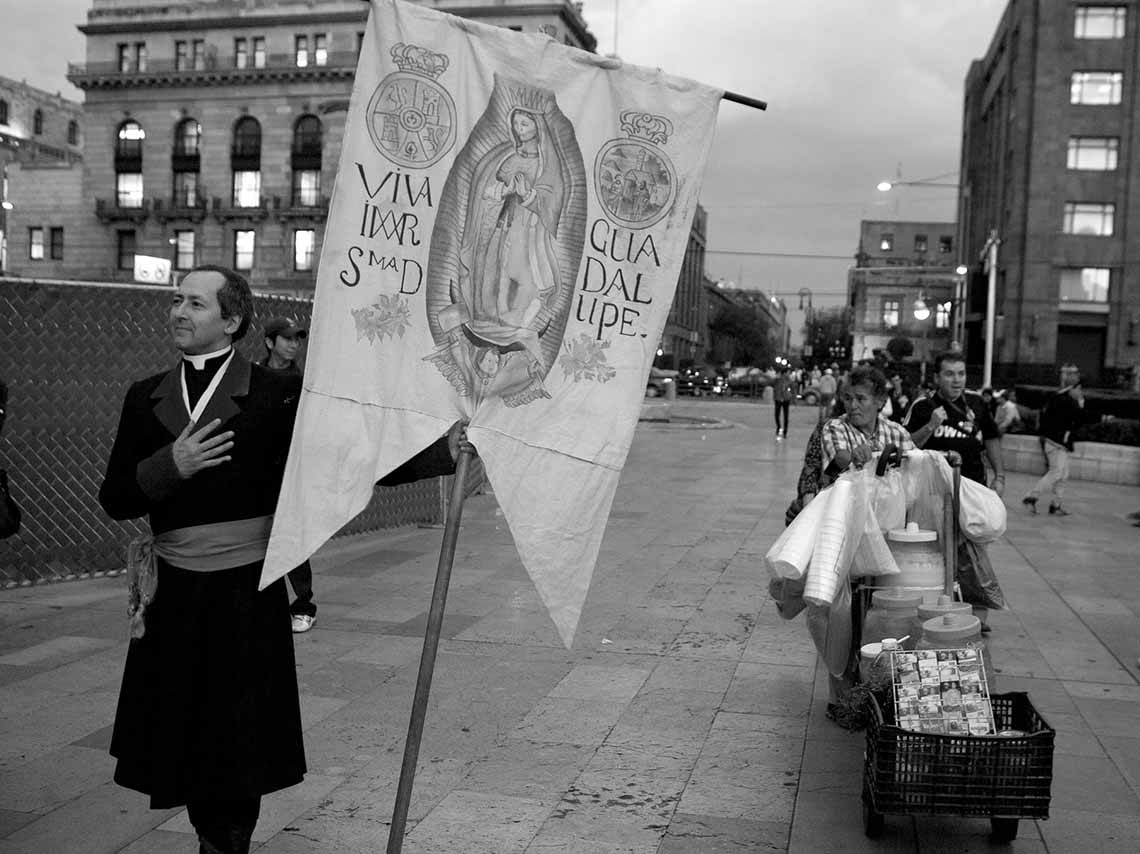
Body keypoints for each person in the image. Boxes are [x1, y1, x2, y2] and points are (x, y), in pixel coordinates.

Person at [98, 265, 462, 853]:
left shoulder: (277, 395)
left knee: (237, 735)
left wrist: (438, 454)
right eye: (176, 300)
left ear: (232, 320)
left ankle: (227, 841)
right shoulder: (145, 397)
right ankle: (206, 832)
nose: (179, 312)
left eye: (195, 303)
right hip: (176, 599)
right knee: (184, 730)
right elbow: (115, 498)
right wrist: (171, 466)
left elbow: (346, 458)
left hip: (247, 590)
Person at [816, 366, 916, 720]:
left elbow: (913, 460)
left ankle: (875, 696)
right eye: (848, 398)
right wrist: (856, 457)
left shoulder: (895, 432)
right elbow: (840, 457)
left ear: (881, 401)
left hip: (885, 540)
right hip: (846, 536)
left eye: (861, 399)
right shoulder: (836, 427)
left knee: (879, 618)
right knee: (842, 617)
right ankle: (842, 700)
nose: (853, 405)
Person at [905, 350, 1006, 632]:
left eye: (961, 373)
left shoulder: (976, 403)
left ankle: (976, 614)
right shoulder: (923, 407)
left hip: (973, 493)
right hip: (933, 496)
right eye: (949, 374)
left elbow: (993, 438)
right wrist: (931, 426)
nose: (957, 380)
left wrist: (1001, 476)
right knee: (937, 555)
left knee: (974, 556)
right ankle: (938, 610)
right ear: (937, 377)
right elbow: (906, 446)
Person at [259, 317, 317, 632]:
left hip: (291, 472)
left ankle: (304, 604)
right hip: (258, 473)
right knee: (259, 538)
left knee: (292, 537)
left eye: (297, 339)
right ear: (270, 342)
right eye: (287, 338)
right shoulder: (252, 377)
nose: (293, 344)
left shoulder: (301, 383)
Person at [1023, 364, 1085, 516]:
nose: (1080, 393)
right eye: (1079, 390)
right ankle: (1031, 496)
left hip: (1057, 443)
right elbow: (1079, 418)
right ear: (1072, 389)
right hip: (1056, 444)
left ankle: (1055, 505)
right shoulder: (1066, 401)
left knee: (1062, 475)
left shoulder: (1060, 399)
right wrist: (1081, 406)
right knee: (1056, 473)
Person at [772, 365, 793, 440]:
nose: (789, 374)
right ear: (784, 373)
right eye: (788, 372)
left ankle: (785, 431)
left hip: (786, 398)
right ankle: (778, 427)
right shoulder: (778, 379)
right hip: (778, 398)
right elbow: (773, 384)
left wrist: (791, 396)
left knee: (786, 415)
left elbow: (792, 387)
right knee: (777, 414)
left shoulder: (789, 379)